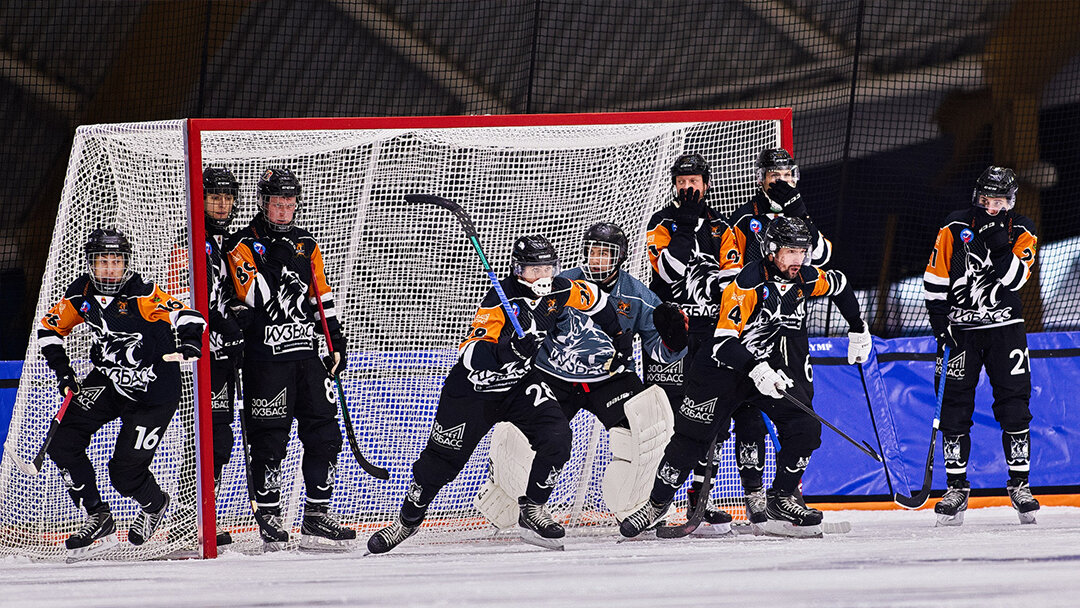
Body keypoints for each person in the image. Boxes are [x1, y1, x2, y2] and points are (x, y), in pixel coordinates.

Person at [366, 235, 633, 554]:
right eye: (534, 270)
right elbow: (469, 353)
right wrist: (508, 349)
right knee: (439, 464)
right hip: (474, 390)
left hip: (518, 386)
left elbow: (597, 302)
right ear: (519, 270)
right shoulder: (500, 298)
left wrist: (619, 337)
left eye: (548, 267)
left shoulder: (561, 289)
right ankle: (407, 521)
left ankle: (532, 508)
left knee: (558, 436)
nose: (543, 276)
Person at [620, 216, 871, 539]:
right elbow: (724, 341)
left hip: (761, 370)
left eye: (802, 252)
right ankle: (656, 505)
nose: (797, 260)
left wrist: (857, 327)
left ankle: (780, 498)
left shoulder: (804, 278)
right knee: (690, 441)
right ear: (770, 251)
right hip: (719, 370)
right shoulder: (747, 284)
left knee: (805, 427)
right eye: (790, 252)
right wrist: (756, 368)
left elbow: (838, 283)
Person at [480, 222, 690, 528]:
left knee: (649, 425)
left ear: (620, 258)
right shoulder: (560, 284)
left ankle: (639, 506)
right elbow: (529, 325)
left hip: (610, 379)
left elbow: (660, 351)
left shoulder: (637, 296)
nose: (598, 259)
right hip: (555, 376)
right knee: (519, 431)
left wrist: (676, 342)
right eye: (593, 251)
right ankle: (511, 500)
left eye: (606, 253)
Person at [38, 228, 206, 560]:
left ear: (126, 264)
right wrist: (64, 372)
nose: (111, 269)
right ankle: (97, 516)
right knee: (62, 442)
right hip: (110, 382)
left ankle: (155, 504)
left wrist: (188, 342)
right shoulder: (80, 294)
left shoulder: (141, 293)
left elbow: (189, 316)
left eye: (117, 261)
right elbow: (49, 328)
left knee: (124, 475)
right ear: (91, 264)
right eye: (103, 262)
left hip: (153, 391)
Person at [224, 167, 354, 551]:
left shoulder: (306, 244)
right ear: (263, 203)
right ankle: (269, 515)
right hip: (265, 358)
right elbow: (256, 298)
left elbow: (320, 296)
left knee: (325, 433)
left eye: (289, 204)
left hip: (307, 357)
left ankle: (316, 516)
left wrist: (336, 340)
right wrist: (278, 260)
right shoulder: (241, 244)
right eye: (276, 204)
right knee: (269, 440)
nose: (283, 211)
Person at [722, 148, 835, 524]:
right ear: (761, 179)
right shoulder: (744, 219)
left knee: (801, 415)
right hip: (753, 331)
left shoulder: (801, 215)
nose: (780, 181)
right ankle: (754, 496)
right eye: (773, 176)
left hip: (792, 335)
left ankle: (787, 492)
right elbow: (731, 274)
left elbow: (822, 256)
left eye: (787, 175)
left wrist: (798, 208)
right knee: (749, 416)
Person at [923, 165, 1040, 526]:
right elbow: (934, 279)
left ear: (1011, 200)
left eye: (1000, 200)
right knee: (955, 408)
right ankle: (956, 489)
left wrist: (997, 240)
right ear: (977, 196)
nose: (992, 207)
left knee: (1015, 405)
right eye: (987, 200)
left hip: (1007, 331)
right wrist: (940, 324)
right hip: (962, 333)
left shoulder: (1022, 230)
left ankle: (1020, 485)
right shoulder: (954, 227)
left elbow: (1015, 278)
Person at [645, 152, 742, 524]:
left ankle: (698, 498)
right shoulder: (662, 222)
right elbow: (668, 274)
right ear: (675, 184)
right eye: (682, 182)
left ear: (705, 183)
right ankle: (656, 501)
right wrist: (684, 228)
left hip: (710, 333)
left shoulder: (722, 226)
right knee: (669, 418)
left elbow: (731, 281)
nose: (688, 187)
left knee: (710, 416)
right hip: (671, 335)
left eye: (694, 181)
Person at [201, 167, 247, 546]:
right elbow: (191, 298)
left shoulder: (222, 241)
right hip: (196, 357)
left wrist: (238, 313)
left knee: (219, 436)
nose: (221, 204)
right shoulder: (191, 238)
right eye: (214, 196)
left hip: (221, 355)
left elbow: (222, 292)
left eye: (227, 197)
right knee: (206, 436)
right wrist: (225, 324)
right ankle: (193, 515)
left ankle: (198, 513)